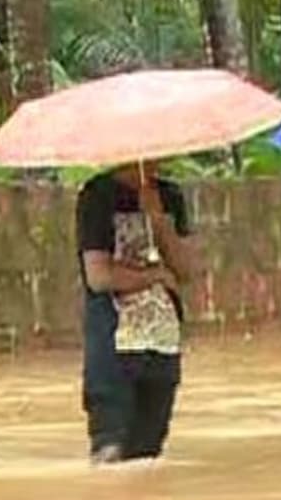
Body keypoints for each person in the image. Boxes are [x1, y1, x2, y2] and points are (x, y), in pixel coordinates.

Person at [77, 160, 197, 464]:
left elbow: (185, 270)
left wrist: (158, 220)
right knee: (110, 450)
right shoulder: (98, 195)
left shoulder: (170, 195)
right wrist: (154, 276)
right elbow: (98, 276)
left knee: (148, 456)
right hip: (114, 345)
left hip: (162, 344)